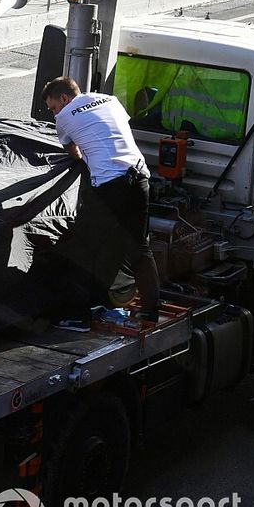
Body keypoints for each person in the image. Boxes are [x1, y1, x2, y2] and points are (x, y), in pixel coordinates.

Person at [42, 76, 160, 330]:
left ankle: (77, 316)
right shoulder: (111, 100)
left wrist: (86, 153)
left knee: (80, 249)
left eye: (53, 107)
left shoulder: (64, 118)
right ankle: (150, 312)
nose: (54, 113)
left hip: (109, 186)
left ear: (64, 98)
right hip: (140, 177)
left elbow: (72, 151)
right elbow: (114, 129)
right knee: (139, 248)